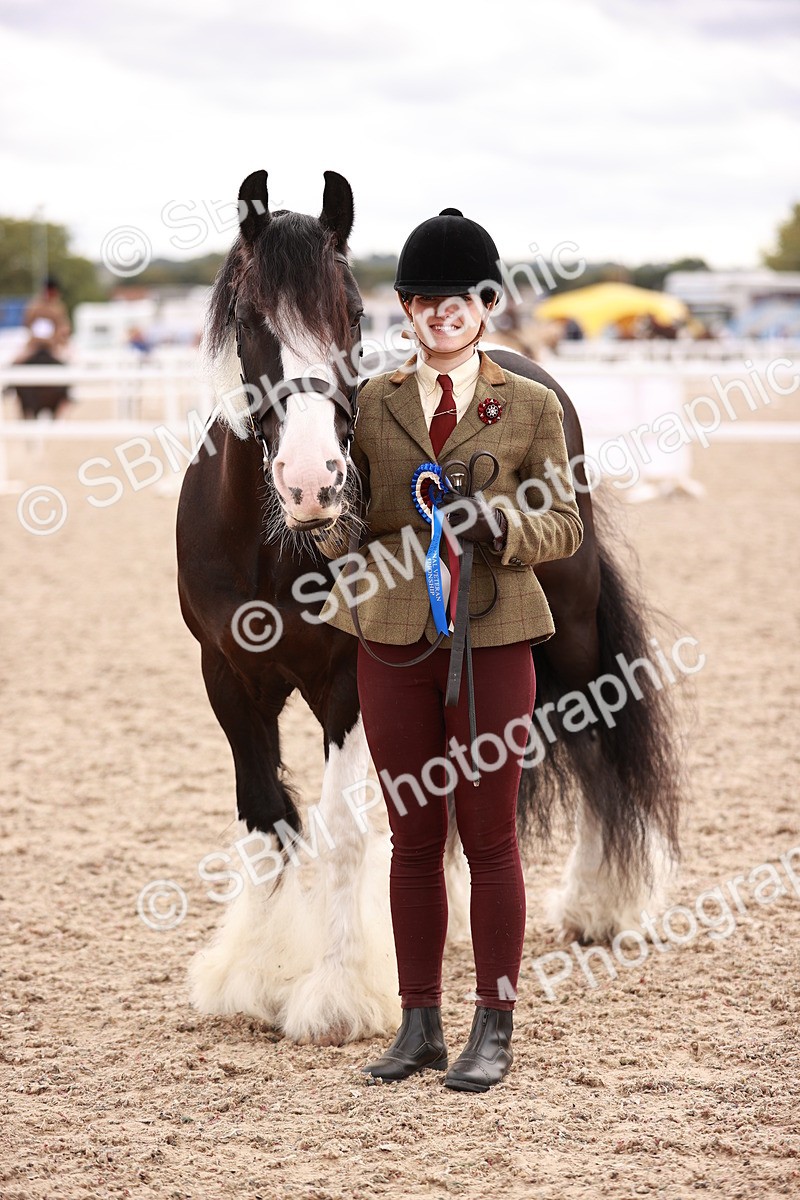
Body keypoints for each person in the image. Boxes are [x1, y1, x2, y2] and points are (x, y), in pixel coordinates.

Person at [323, 208, 583, 1092]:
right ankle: (419, 1024)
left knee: (490, 836)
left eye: (459, 299)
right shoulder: (372, 403)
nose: (443, 314)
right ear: (405, 308)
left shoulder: (533, 406)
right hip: (393, 638)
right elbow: (349, 528)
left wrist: (496, 523)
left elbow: (564, 524)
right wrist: (321, 522)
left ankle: (496, 1025)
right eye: (425, 300)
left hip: (496, 633)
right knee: (410, 838)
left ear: (487, 302)